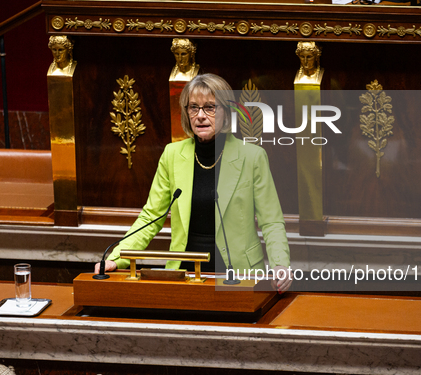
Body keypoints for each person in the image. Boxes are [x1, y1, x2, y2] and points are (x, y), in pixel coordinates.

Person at [95, 73, 292, 292]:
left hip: (238, 272)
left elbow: (271, 221)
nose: (200, 115)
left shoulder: (252, 157)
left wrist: (280, 264)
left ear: (226, 113)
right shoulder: (172, 154)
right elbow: (151, 216)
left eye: (210, 107)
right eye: (193, 107)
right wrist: (117, 258)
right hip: (185, 272)